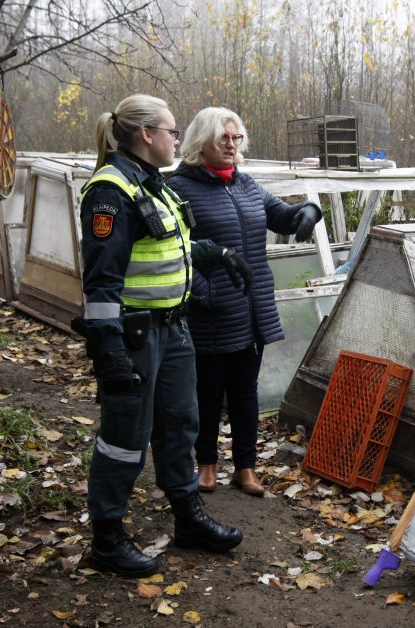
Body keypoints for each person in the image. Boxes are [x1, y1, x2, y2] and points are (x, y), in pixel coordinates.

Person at [78, 94, 244, 578]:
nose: (177, 138)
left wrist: (216, 253)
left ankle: (187, 520)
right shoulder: (110, 191)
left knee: (181, 425)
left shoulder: (154, 184)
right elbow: (101, 283)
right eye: (171, 130)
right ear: (147, 135)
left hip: (174, 330)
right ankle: (107, 539)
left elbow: (171, 242)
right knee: (124, 438)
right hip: (133, 336)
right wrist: (108, 350)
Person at [167, 106, 322, 496]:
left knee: (244, 392)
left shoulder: (247, 185)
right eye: (224, 138)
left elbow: (284, 216)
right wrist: (206, 293)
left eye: (237, 138)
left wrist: (309, 210)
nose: (232, 145)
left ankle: (245, 467)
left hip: (251, 311)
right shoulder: (180, 189)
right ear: (201, 142)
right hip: (210, 312)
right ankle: (205, 465)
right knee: (207, 392)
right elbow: (176, 251)